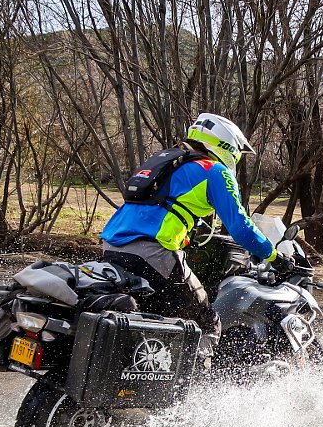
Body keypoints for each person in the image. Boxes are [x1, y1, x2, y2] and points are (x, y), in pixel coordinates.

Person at [100, 113, 292, 354]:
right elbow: (241, 227)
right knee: (205, 320)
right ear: (226, 145)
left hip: (111, 248)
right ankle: (198, 388)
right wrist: (274, 256)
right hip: (152, 251)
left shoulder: (171, 163)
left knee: (157, 314)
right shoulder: (214, 170)